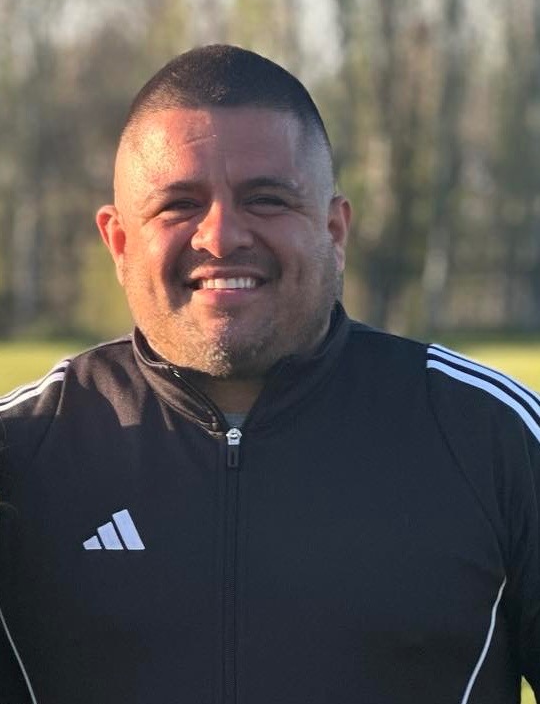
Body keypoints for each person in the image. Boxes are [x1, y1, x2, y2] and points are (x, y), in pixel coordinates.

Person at [0, 44, 539, 704]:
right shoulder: (22, 453)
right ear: (118, 241)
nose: (222, 236)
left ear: (334, 230)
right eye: (178, 205)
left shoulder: (492, 436)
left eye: (266, 199)